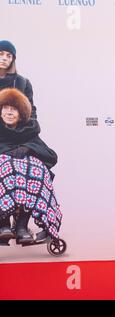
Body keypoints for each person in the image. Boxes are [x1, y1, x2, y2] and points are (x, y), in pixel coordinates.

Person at [0, 88, 62, 245]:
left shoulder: (29, 131)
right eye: (5, 108)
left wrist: (29, 148)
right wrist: (8, 153)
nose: (8, 112)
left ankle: (21, 226)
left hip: (25, 180)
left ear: (21, 114)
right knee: (5, 165)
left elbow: (50, 155)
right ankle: (4, 224)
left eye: (13, 109)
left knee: (36, 169)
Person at [0, 40, 37, 120]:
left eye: (9, 56)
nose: (4, 58)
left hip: (14, 130)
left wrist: (30, 128)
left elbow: (31, 112)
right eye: (1, 54)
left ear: (13, 59)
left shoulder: (22, 82)